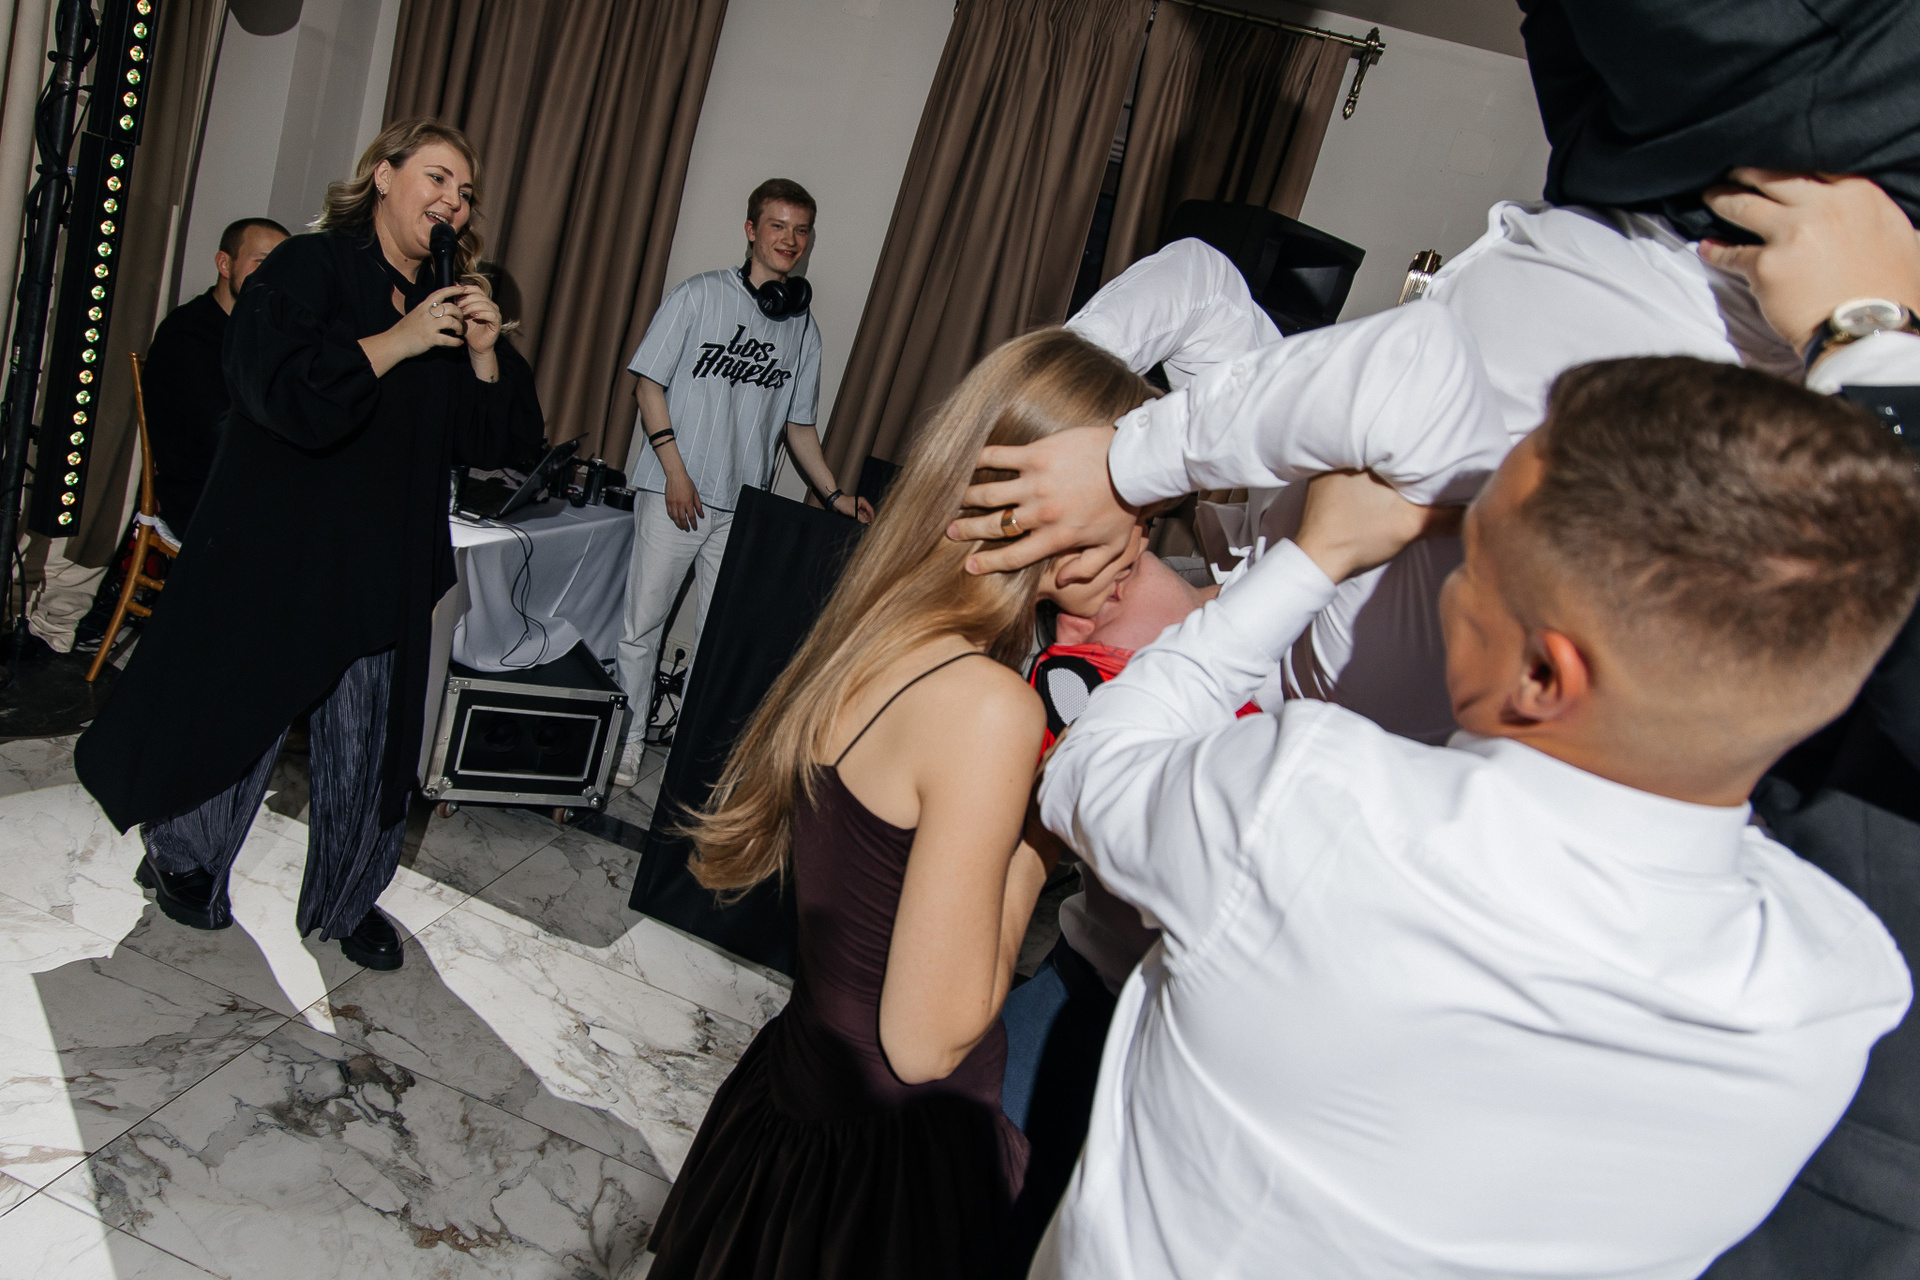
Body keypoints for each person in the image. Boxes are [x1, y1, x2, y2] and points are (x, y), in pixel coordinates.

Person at [1032, 357, 1920, 1279]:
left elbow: (1094, 764)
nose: (1448, 582)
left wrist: (1315, 557)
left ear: (1542, 675)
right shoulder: (1841, 987)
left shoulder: (1314, 808)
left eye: (1473, 560)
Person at [644, 329, 1146, 1279]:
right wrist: (1045, 833)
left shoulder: (886, 626)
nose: (1144, 547)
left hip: (795, 1109)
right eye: (1142, 511)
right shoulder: (988, 706)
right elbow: (927, 1042)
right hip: (881, 1165)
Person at [73, 119, 543, 971]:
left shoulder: (444, 297)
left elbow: (487, 445)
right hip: (285, 545)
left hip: (385, 557)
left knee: (369, 740)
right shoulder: (309, 266)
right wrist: (401, 340)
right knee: (245, 711)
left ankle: (349, 894)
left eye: (466, 192)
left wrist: (482, 354)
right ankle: (184, 856)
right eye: (438, 178)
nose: (454, 200)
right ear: (384, 176)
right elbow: (280, 389)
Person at [612, 178, 871, 787]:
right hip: (674, 493)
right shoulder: (698, 295)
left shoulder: (802, 329)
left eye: (801, 230)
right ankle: (623, 744)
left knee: (716, 639)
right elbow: (648, 385)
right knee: (640, 629)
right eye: (777, 226)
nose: (790, 239)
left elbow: (799, 427)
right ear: (752, 230)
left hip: (742, 508)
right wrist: (675, 472)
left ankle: (687, 755)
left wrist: (835, 496)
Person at [71, 216, 290, 655]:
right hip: (197, 498)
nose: (271, 276)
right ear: (224, 264)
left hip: (235, 486)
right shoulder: (189, 332)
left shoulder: (259, 333)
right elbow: (216, 435)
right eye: (260, 261)